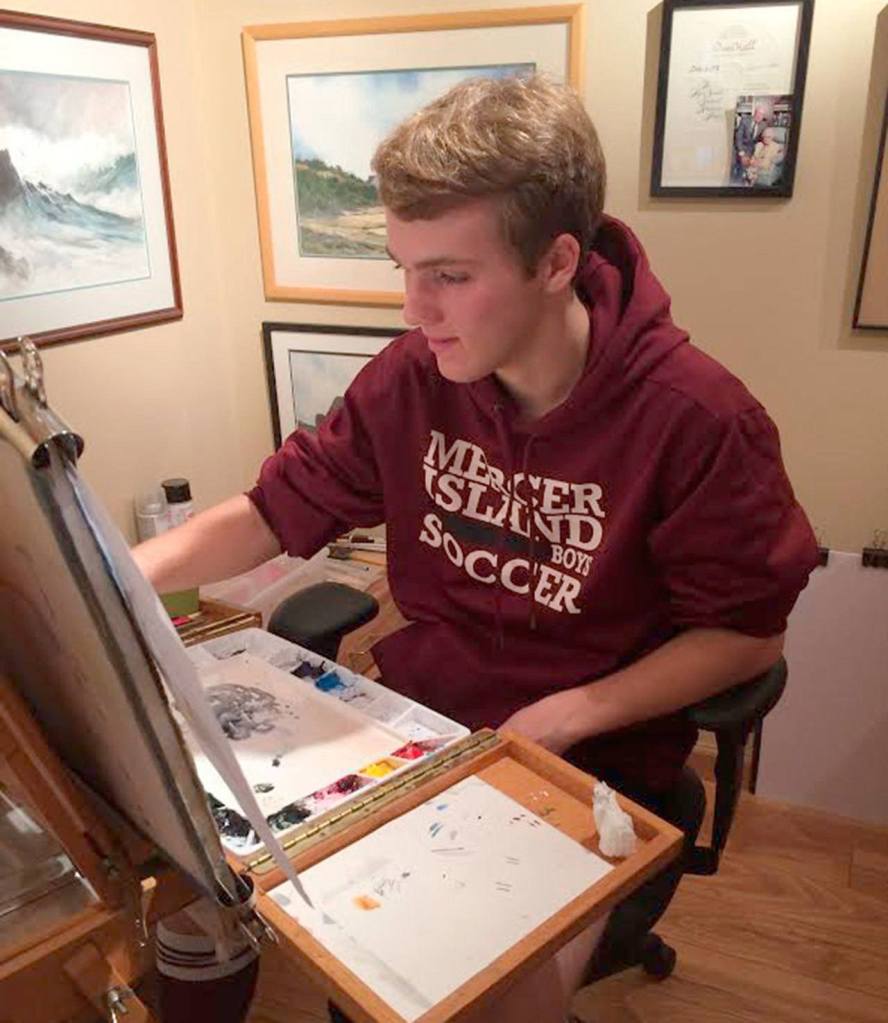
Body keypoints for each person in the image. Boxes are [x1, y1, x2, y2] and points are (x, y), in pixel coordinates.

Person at [135, 74, 818, 1022]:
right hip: (421, 726)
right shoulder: (413, 380)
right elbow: (277, 506)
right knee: (328, 957)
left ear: (556, 261)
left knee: (466, 1002)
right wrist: (115, 580)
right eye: (403, 269)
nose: (417, 309)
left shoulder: (697, 419)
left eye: (450, 275)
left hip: (588, 761)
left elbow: (750, 638)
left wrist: (576, 710)